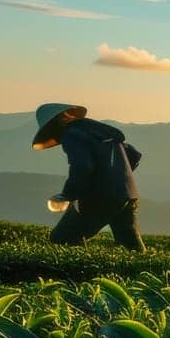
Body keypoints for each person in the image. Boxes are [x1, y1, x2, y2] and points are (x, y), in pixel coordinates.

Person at [32, 103, 145, 252]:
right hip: (128, 194)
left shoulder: (71, 133)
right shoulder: (102, 132)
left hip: (100, 197)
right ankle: (142, 273)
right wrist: (116, 177)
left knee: (63, 238)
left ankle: (79, 272)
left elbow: (82, 166)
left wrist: (69, 194)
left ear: (56, 123)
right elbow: (134, 155)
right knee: (131, 244)